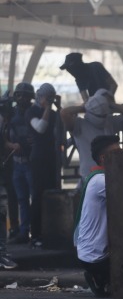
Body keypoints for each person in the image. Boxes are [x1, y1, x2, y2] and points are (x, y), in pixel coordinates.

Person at [75, 134, 121, 297]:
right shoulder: (101, 181)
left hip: (89, 252)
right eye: (117, 152)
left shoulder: (98, 177)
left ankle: (102, 279)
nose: (122, 156)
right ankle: (100, 277)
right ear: (103, 158)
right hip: (95, 256)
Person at [61, 89, 123, 188]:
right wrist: (83, 106)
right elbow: (64, 113)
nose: (102, 117)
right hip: (89, 176)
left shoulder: (109, 122)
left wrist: (112, 105)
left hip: (111, 174)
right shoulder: (80, 125)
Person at [26, 83, 62, 248]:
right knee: (38, 195)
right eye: (47, 97)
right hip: (38, 158)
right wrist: (48, 108)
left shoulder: (54, 114)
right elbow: (40, 128)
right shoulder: (32, 111)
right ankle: (36, 234)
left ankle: (51, 231)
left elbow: (60, 134)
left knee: (52, 193)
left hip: (52, 158)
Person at [6, 83, 35, 245]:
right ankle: (23, 231)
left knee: (33, 198)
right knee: (22, 199)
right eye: (20, 95)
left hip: (31, 163)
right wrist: (12, 145)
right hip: (17, 163)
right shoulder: (11, 114)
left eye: (25, 95)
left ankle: (31, 231)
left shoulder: (35, 112)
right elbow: (4, 138)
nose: (22, 98)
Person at [0, 91, 20, 242]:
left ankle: (14, 227)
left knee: (13, 197)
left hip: (10, 164)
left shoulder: (14, 120)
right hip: (6, 162)